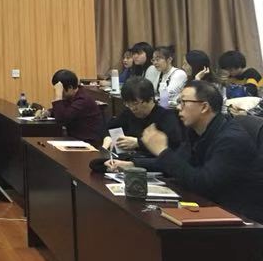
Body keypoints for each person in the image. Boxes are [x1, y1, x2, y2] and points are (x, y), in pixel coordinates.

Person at [108, 81, 263, 223]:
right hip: (208, 206)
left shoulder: (231, 140)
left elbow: (202, 183)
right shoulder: (195, 131)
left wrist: (162, 151)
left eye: (183, 102)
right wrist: (132, 164)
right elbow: (178, 163)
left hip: (239, 218)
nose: (178, 107)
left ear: (204, 107)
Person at [101, 77, 181, 156]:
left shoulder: (166, 117)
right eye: (128, 103)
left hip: (152, 160)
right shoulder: (128, 113)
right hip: (129, 157)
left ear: (150, 99)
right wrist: (108, 138)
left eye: (135, 103)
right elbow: (110, 128)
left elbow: (172, 146)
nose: (132, 108)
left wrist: (138, 143)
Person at [38, 69, 103, 146]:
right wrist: (48, 112)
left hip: (87, 143)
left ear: (70, 87)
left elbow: (62, 120)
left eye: (61, 90)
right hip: (75, 140)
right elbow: (64, 110)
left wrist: (58, 96)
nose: (59, 93)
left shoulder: (83, 100)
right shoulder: (73, 96)